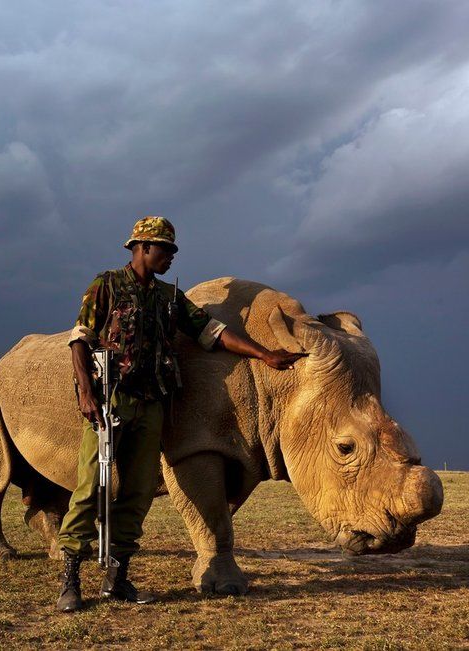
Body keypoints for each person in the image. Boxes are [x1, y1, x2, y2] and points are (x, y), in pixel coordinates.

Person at [55, 216, 303, 612]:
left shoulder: (169, 298)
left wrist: (265, 354)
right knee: (92, 488)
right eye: (165, 249)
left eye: (172, 251)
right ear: (142, 248)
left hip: (152, 405)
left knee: (137, 495)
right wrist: (86, 393)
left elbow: (212, 331)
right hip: (111, 401)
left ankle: (117, 580)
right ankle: (71, 580)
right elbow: (79, 341)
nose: (171, 257)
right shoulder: (107, 286)